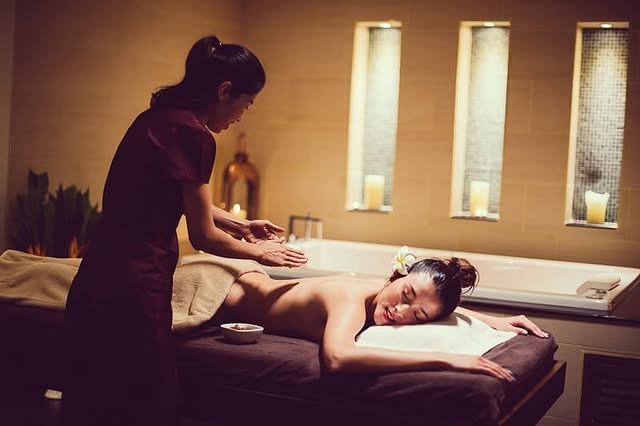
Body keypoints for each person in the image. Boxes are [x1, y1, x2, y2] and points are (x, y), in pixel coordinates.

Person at [61, 36, 307, 426]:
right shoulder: (195, 135)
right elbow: (202, 235)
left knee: (92, 402)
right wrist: (262, 253)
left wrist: (242, 225)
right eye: (246, 103)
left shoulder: (155, 119)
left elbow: (175, 197)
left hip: (96, 279)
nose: (241, 116)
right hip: (137, 289)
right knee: (146, 404)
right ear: (224, 91)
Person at [211, 253, 548, 380]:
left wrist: (494, 320)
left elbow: (428, 303)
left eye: (417, 316)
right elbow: (338, 359)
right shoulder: (349, 299)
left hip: (245, 281)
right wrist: (447, 359)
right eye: (405, 296)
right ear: (395, 276)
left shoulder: (385, 292)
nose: (399, 312)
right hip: (219, 286)